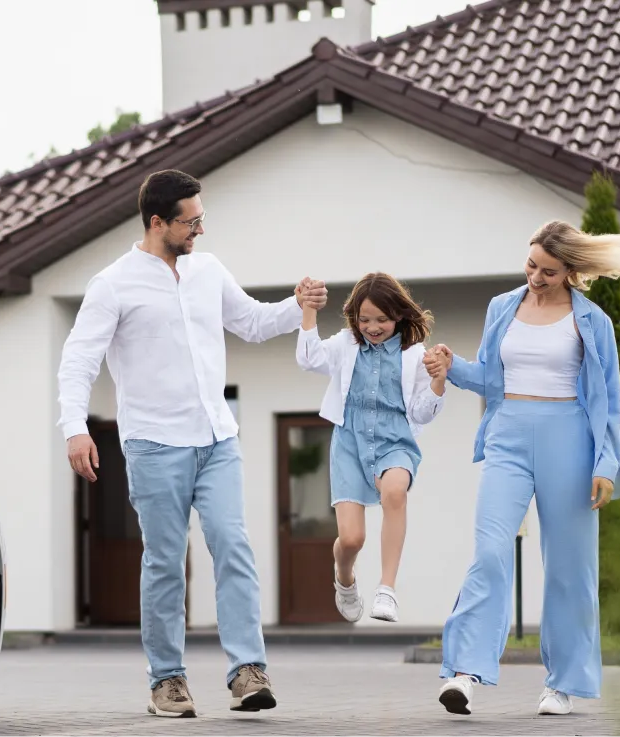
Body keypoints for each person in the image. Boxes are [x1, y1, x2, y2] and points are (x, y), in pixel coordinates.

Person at [57, 169, 327, 718]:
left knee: (233, 545)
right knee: (164, 563)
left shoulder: (207, 271)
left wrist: (298, 306)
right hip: (154, 444)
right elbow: (78, 360)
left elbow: (250, 322)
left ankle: (247, 671)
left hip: (217, 437)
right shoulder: (113, 284)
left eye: (202, 218)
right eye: (191, 221)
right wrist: (74, 427)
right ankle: (168, 681)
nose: (200, 229)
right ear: (158, 222)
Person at [422, 219, 620, 717]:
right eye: (531, 265)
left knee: (569, 567)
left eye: (548, 271)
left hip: (571, 439)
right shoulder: (502, 307)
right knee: (490, 551)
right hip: (509, 437)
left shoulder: (592, 322)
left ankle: (561, 684)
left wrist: (605, 463)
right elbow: (489, 377)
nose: (536, 277)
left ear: (570, 271)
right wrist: (450, 364)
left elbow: (608, 400)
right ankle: (463, 671)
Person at [293, 273, 445, 625]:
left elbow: (423, 411)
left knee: (395, 492)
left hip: (395, 443)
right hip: (349, 444)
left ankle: (386, 590)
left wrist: (438, 379)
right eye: (364, 320)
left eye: (382, 319)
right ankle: (344, 578)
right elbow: (308, 359)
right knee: (351, 539)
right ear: (354, 318)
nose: (373, 327)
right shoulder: (346, 344)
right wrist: (308, 311)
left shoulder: (414, 355)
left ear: (399, 316)